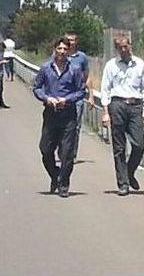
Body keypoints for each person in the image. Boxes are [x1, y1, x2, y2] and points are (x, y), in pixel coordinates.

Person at [33, 37, 86, 198]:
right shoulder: (45, 68)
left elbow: (81, 91)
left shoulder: (75, 70)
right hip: (50, 114)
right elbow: (36, 88)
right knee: (45, 149)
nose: (62, 52)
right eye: (59, 49)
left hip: (68, 115)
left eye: (65, 49)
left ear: (68, 51)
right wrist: (46, 98)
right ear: (55, 49)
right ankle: (55, 176)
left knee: (66, 153)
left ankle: (64, 185)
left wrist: (67, 100)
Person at [100, 36, 144, 196]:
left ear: (130, 45)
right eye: (120, 47)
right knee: (119, 147)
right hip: (117, 105)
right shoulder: (111, 65)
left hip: (135, 105)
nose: (124, 50)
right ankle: (123, 183)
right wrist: (105, 112)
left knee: (139, 144)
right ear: (117, 49)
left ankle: (129, 172)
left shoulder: (139, 64)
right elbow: (105, 89)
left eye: (125, 46)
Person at [65, 31, 93, 161]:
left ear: (76, 42)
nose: (71, 42)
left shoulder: (82, 58)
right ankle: (63, 149)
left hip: (78, 97)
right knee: (61, 125)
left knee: (75, 126)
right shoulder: (60, 55)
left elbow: (87, 77)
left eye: (73, 40)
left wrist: (91, 96)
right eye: (68, 40)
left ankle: (72, 154)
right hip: (63, 96)